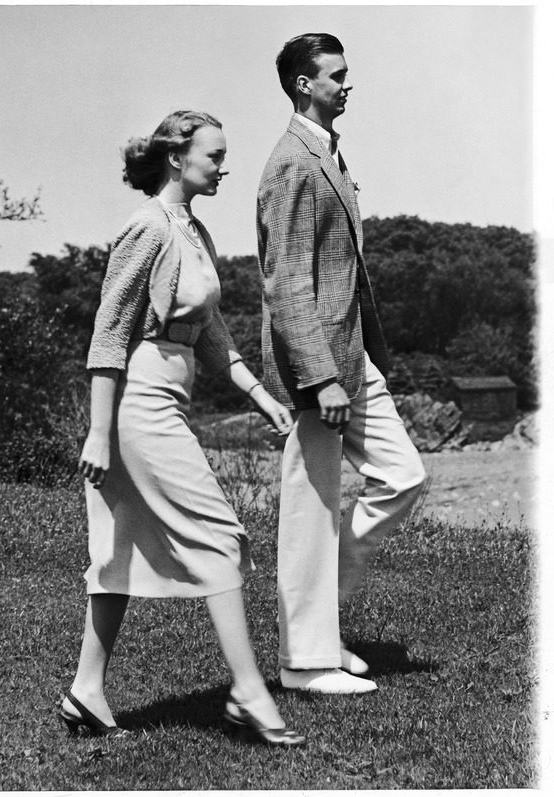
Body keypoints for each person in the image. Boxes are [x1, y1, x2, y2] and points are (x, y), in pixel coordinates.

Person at [60, 110, 304, 747]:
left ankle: (86, 690)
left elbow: (212, 333)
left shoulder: (192, 230)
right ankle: (249, 691)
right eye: (214, 156)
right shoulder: (146, 227)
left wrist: (259, 396)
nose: (223, 167)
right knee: (221, 537)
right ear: (176, 158)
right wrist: (98, 430)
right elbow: (109, 334)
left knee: (120, 548)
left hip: (168, 391)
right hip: (138, 400)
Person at [256, 34, 426, 695]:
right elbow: (285, 279)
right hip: (318, 365)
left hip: (353, 356)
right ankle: (304, 661)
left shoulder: (327, 151)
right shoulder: (291, 163)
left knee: (403, 476)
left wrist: (348, 364)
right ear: (305, 84)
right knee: (311, 505)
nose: (347, 85)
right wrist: (320, 374)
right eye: (337, 76)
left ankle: (323, 623)